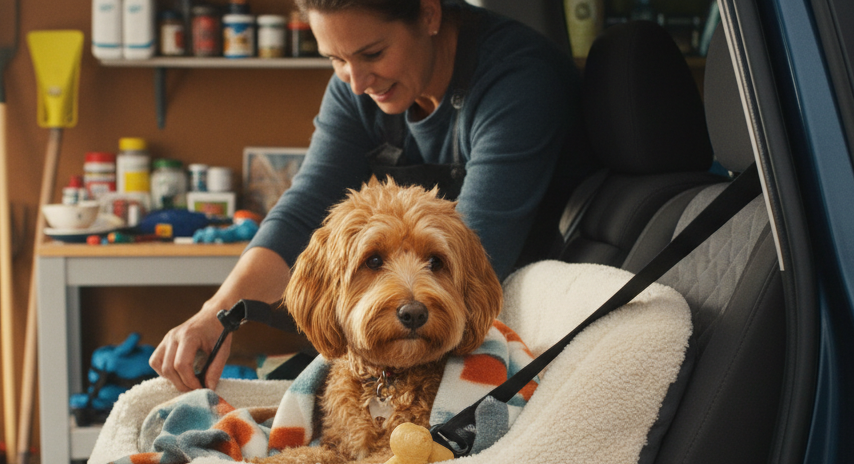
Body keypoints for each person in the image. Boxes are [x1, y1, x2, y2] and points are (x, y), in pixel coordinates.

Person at [151, 0, 587, 391]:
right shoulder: (361, 85)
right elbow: (304, 211)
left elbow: (473, 254)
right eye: (335, 59)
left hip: (510, 328)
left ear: (429, 13)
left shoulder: (518, 78)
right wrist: (215, 316)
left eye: (372, 54)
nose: (356, 83)